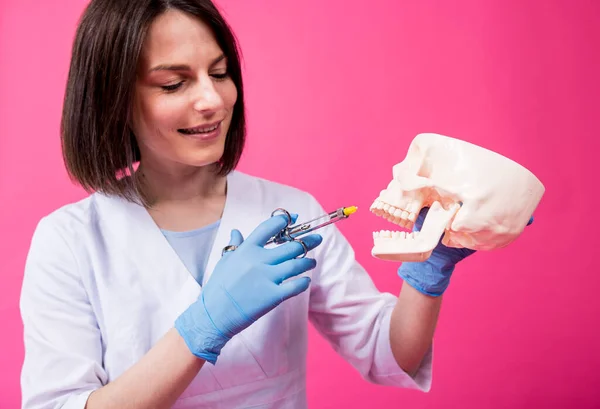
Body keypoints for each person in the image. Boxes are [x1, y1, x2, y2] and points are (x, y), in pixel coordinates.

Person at [19, 1, 476, 408]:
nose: (213, 100)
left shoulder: (288, 208)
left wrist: (426, 270)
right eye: (174, 83)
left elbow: (389, 355)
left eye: (219, 74)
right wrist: (202, 326)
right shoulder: (70, 241)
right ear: (112, 99)